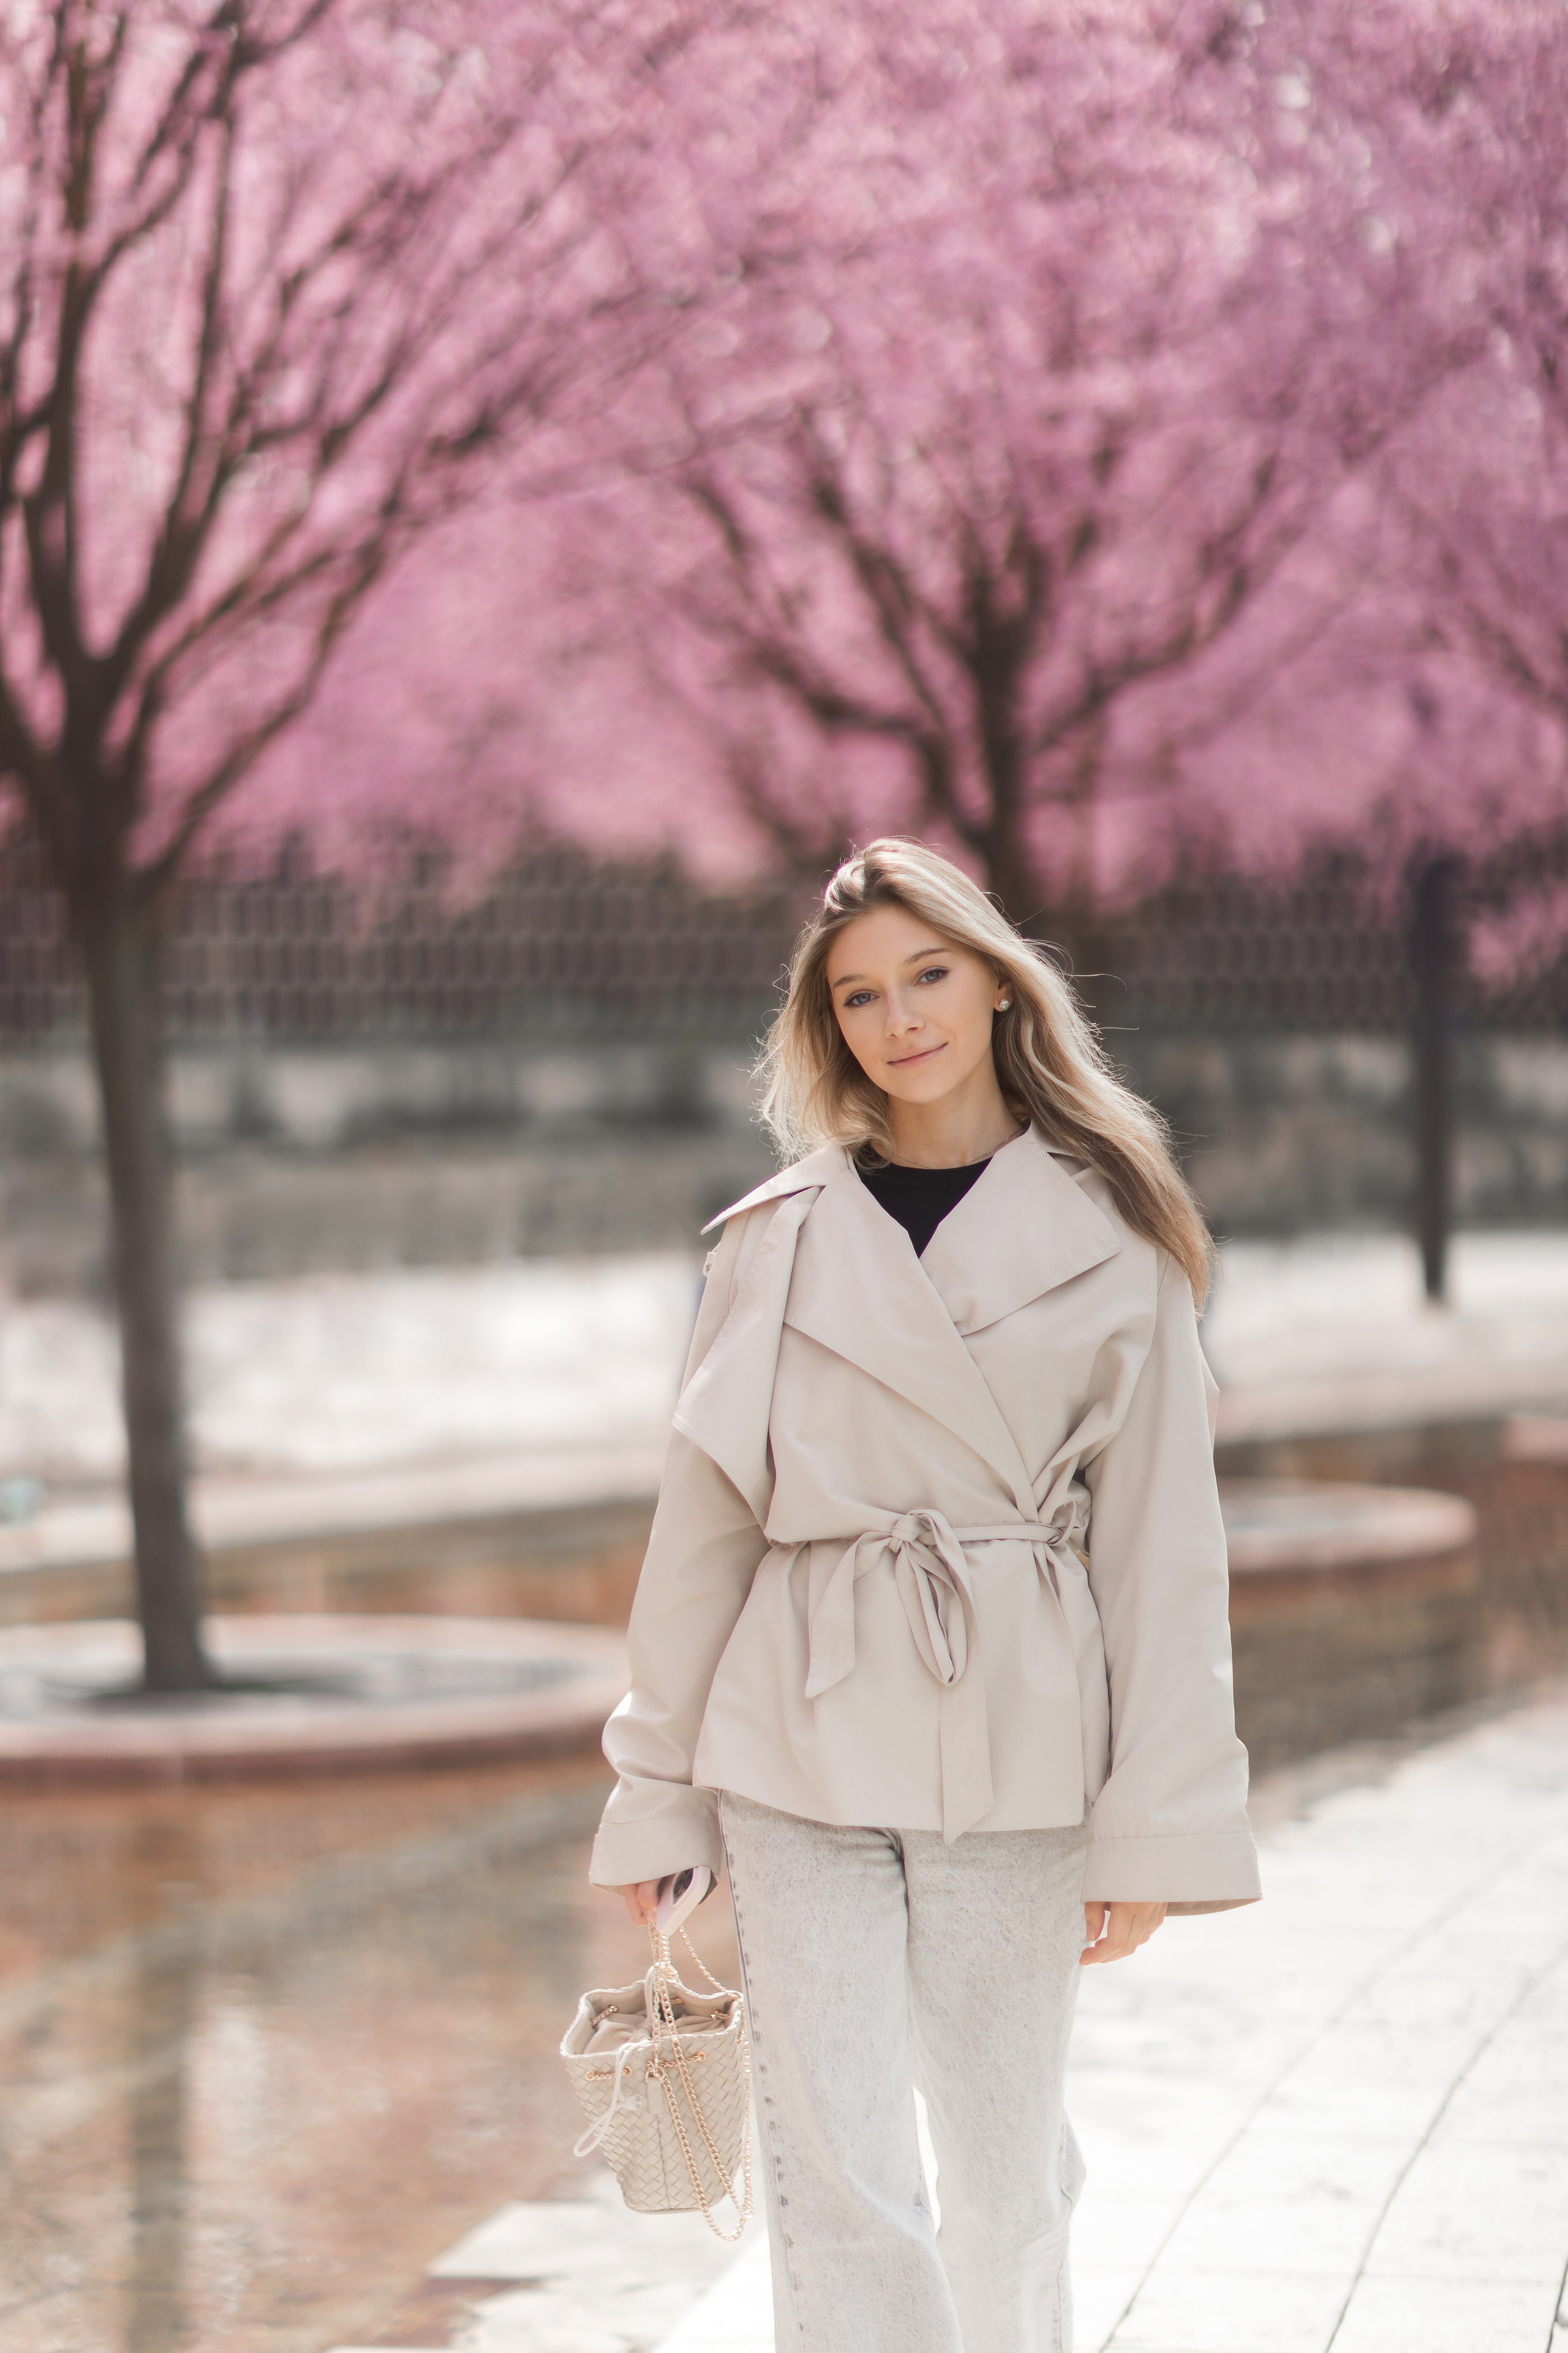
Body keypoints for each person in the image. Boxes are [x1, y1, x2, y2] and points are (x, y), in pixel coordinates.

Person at [589, 837, 1259, 2353]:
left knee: (1009, 2180)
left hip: (1014, 1742)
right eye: (860, 995)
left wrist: (1149, 1820)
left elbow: (1160, 1549)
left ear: (995, 978)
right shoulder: (776, 1238)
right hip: (796, 1736)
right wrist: (654, 1790)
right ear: (828, 1027)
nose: (900, 1019)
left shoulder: (1115, 1231)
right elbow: (700, 1531)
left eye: (928, 974)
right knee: (838, 2187)